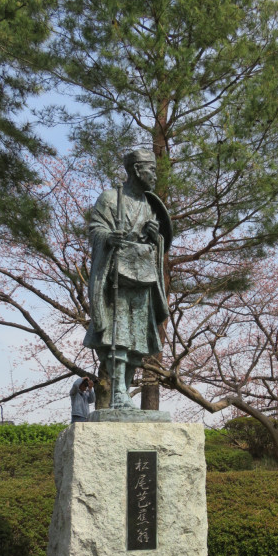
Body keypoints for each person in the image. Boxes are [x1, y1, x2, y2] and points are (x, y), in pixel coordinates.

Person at [83, 149, 173, 408]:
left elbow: (160, 243)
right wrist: (109, 238)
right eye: (151, 169)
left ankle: (124, 388)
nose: (155, 176)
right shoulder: (111, 198)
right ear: (135, 170)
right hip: (117, 274)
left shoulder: (149, 204)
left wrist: (153, 236)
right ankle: (118, 391)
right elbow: (95, 229)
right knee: (117, 334)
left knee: (137, 336)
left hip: (142, 275)